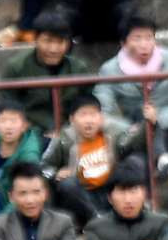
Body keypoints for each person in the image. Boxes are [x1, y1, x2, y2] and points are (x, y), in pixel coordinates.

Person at [96, 15, 168, 178]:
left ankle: (163, 160)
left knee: (148, 121)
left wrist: (159, 118)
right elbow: (102, 109)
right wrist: (130, 131)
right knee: (137, 157)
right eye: (137, 39)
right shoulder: (110, 69)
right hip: (133, 136)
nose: (144, 45)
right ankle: (164, 164)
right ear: (123, 43)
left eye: (149, 38)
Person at [5, 17, 98, 140]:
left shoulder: (79, 68)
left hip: (73, 133)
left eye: (60, 42)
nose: (54, 49)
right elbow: (7, 104)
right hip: (30, 133)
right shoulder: (17, 67)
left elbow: (89, 103)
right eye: (47, 41)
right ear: (36, 39)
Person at [42, 97, 125, 226]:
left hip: (108, 189)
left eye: (93, 114)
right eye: (83, 115)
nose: (88, 120)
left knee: (132, 165)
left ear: (101, 117)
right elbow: (43, 167)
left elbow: (133, 143)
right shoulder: (63, 140)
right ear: (72, 119)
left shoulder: (111, 133)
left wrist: (150, 124)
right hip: (81, 196)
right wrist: (55, 173)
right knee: (67, 184)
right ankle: (98, 221)